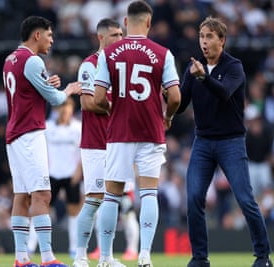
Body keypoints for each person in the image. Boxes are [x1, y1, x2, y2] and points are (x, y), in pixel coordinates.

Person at [175, 16, 273, 267]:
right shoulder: (193, 68)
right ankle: (199, 258)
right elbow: (182, 103)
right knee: (194, 198)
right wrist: (168, 94)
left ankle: (263, 256)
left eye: (209, 37)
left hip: (231, 142)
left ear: (222, 40)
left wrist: (203, 78)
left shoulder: (234, 67)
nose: (204, 42)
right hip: (203, 142)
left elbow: (224, 93)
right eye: (201, 36)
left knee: (244, 199)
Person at [93, 1, 181, 267]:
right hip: (151, 131)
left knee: (112, 195)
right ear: (149, 23)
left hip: (120, 131)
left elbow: (98, 98)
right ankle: (145, 256)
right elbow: (175, 96)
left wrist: (114, 108)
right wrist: (168, 117)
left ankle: (106, 258)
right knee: (149, 193)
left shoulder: (109, 53)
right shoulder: (162, 53)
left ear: (125, 21)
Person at [3, 15, 81, 267]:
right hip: (29, 133)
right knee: (42, 194)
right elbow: (57, 101)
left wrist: (48, 85)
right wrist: (68, 90)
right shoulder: (33, 60)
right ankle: (48, 258)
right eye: (49, 35)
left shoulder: (10, 59)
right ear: (37, 35)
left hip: (13, 134)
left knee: (21, 195)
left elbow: (29, 93)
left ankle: (21, 258)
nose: (52, 40)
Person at [72, 18, 138, 267]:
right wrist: (115, 108)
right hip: (96, 144)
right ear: (101, 38)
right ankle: (79, 255)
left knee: (114, 202)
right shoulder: (90, 65)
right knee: (93, 200)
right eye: (114, 35)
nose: (120, 39)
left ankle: (107, 257)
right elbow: (87, 102)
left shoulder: (123, 68)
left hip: (119, 144)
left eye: (122, 34)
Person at [27, 97, 83, 259]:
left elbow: (83, 151)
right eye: (62, 110)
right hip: (51, 174)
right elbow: (39, 150)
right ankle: (31, 246)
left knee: (73, 211)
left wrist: (78, 172)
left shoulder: (78, 128)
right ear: (57, 110)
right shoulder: (48, 127)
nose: (65, 113)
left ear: (72, 111)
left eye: (68, 110)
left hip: (71, 175)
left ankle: (74, 248)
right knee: (41, 209)